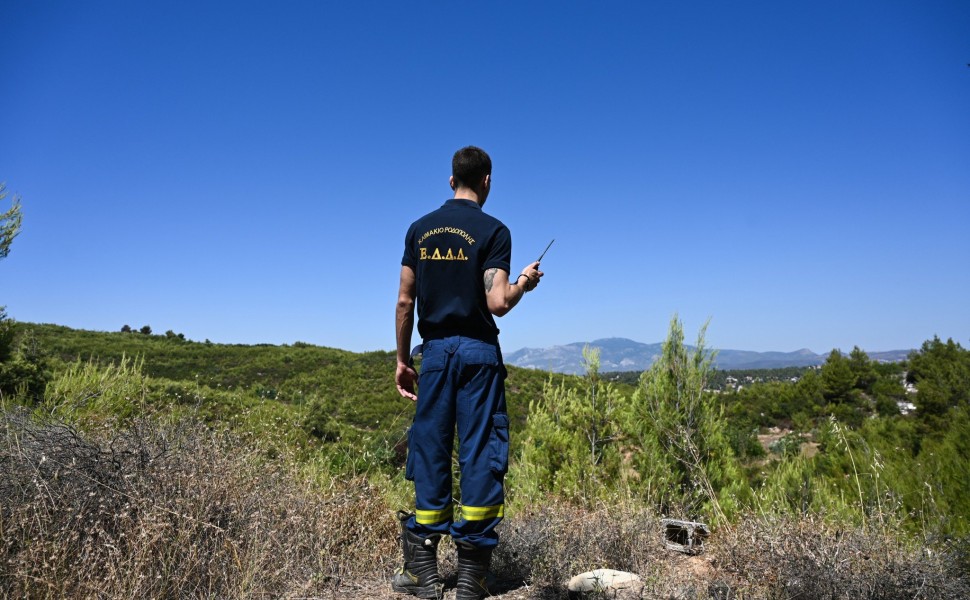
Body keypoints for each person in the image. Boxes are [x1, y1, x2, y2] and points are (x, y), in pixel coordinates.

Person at [392, 146, 543, 600]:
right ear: (488, 181)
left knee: (431, 449)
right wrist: (523, 285)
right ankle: (472, 581)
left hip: (434, 354)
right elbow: (497, 302)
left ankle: (423, 575)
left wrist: (403, 361)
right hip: (478, 354)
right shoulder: (494, 230)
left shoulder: (419, 230)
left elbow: (404, 301)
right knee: (479, 453)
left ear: (450, 180)